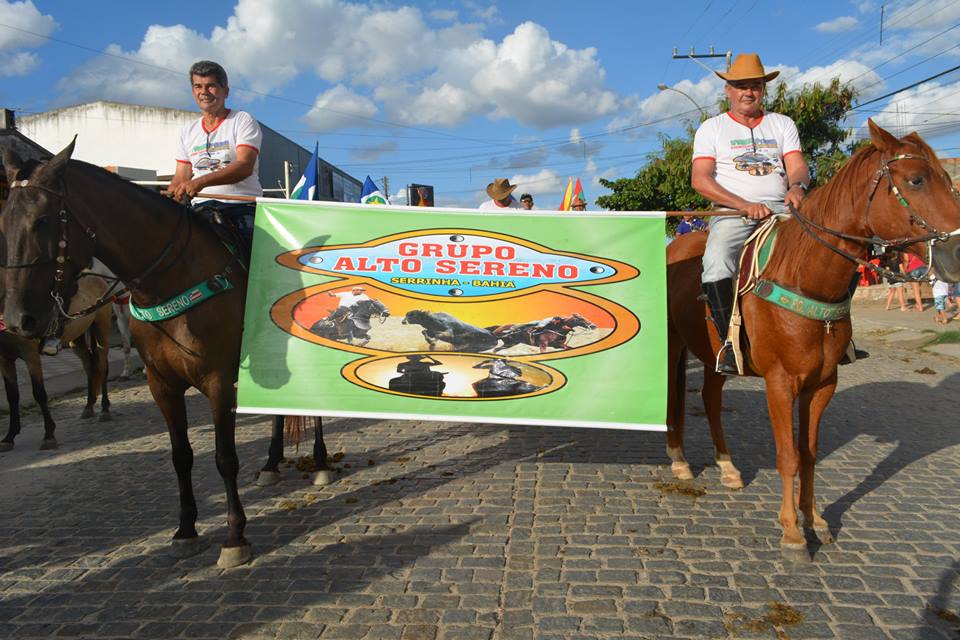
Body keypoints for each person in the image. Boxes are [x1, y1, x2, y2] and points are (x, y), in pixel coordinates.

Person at [691, 53, 810, 374]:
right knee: (716, 262)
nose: (748, 92)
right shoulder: (711, 128)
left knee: (833, 247)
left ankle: (839, 335)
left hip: (783, 210)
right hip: (734, 214)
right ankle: (729, 342)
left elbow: (797, 165)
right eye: (740, 86)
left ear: (763, 89)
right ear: (727, 90)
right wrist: (742, 205)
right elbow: (700, 179)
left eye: (754, 86)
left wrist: (797, 186)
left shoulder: (782, 124)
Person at [168, 60, 262, 249]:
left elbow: (244, 166)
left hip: (241, 207)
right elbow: (181, 177)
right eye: (198, 86)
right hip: (200, 208)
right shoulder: (187, 130)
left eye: (211, 86)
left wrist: (199, 182)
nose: (204, 92)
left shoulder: (242, 120)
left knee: (255, 258)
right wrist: (170, 195)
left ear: (225, 91)